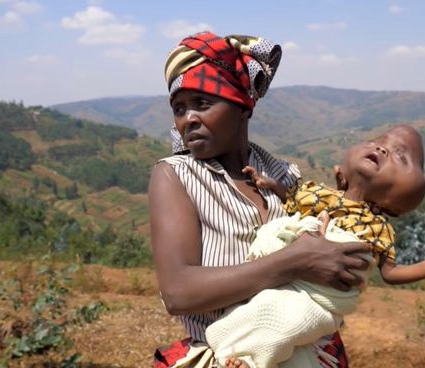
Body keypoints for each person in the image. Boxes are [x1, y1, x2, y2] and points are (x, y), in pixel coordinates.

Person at [149, 31, 369, 368]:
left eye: (202, 103)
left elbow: (334, 255)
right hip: (231, 357)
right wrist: (294, 261)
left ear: (242, 107)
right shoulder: (175, 176)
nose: (188, 119)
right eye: (179, 108)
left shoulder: (284, 175)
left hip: (311, 350)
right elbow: (178, 291)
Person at [205, 125, 425, 368]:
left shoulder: (378, 229)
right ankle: (236, 352)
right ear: (340, 174)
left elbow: (390, 272)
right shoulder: (318, 195)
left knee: (286, 320)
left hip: (323, 296)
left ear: (395, 203)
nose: (382, 150)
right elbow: (292, 201)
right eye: (378, 143)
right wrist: (271, 185)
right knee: (258, 308)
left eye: (399, 156)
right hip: (292, 274)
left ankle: (249, 361)